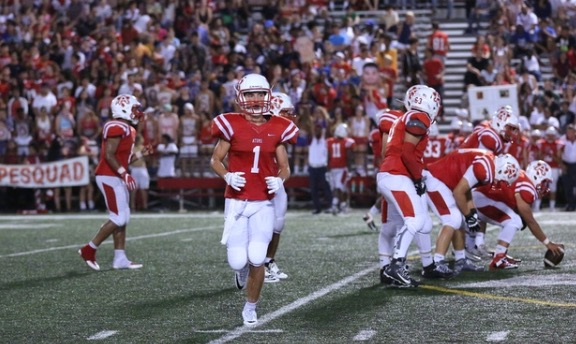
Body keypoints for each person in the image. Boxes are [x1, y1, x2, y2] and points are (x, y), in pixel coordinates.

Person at [210, 74, 298, 326]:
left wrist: (280, 180)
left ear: (269, 96)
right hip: (236, 201)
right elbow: (215, 159)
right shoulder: (231, 125)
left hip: (263, 202)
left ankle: (250, 307)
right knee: (238, 260)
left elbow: (285, 167)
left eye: (260, 93)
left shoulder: (278, 126)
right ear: (240, 97)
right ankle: (240, 271)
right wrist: (226, 176)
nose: (256, 99)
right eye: (250, 94)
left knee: (258, 257)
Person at [78, 94, 151, 271]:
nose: (137, 113)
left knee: (123, 218)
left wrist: (140, 155)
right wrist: (124, 174)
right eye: (134, 109)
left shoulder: (128, 129)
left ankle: (120, 258)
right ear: (123, 108)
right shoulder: (115, 125)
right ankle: (89, 249)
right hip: (108, 175)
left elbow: (123, 159)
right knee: (118, 217)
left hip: (116, 175)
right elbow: (108, 155)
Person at [378, 85, 440, 287]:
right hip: (398, 174)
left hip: (393, 174)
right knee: (414, 220)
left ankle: (391, 269)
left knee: (417, 221)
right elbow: (407, 152)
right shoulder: (419, 117)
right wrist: (417, 178)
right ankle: (396, 265)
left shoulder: (405, 117)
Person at [424, 150, 521, 277]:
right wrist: (468, 215)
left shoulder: (489, 163)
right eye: (503, 181)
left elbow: (466, 188)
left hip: (444, 181)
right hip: (435, 178)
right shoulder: (485, 168)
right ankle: (436, 263)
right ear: (503, 170)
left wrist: (472, 212)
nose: (500, 184)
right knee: (453, 219)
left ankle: (460, 260)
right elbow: (459, 192)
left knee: (460, 220)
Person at [472, 160, 564, 269]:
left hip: (477, 197)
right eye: (544, 182)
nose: (545, 186)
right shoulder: (527, 186)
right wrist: (548, 243)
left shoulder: (522, 176)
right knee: (515, 220)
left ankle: (498, 253)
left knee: (513, 219)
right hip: (480, 199)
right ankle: (499, 258)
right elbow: (530, 221)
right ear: (536, 176)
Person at [264, 92, 299, 283]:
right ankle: (256, 265)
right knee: (262, 226)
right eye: (286, 112)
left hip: (275, 180)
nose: (290, 116)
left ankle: (268, 261)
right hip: (260, 181)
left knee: (278, 224)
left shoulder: (278, 130)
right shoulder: (261, 129)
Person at [326, 123, 355, 215]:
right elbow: (349, 157)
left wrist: (327, 169)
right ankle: (341, 205)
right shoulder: (347, 142)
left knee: (336, 187)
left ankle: (335, 205)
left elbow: (328, 157)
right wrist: (350, 169)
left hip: (333, 167)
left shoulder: (329, 141)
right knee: (339, 187)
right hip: (342, 168)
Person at [308, 124, 332, 215]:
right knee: (314, 189)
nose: (317, 132)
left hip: (322, 167)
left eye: (319, 130)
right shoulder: (311, 140)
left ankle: (330, 206)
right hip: (313, 168)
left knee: (326, 188)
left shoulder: (325, 141)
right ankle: (317, 208)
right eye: (316, 130)